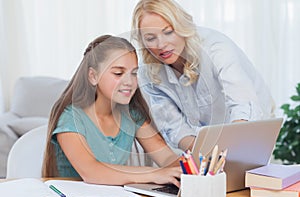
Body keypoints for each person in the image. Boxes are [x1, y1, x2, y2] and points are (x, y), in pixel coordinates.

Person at [131, 0, 275, 151]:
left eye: (168, 32)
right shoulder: (149, 72)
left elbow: (244, 106)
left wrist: (231, 151)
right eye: (150, 38)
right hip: (210, 137)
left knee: (247, 171)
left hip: (249, 125)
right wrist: (202, 152)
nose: (161, 45)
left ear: (182, 27)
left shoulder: (216, 49)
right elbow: (175, 127)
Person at [42, 35, 181, 187]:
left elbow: (167, 158)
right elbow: (91, 172)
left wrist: (185, 168)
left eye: (134, 73)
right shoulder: (71, 118)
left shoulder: (132, 116)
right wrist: (154, 174)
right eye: (118, 73)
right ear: (93, 76)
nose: (129, 82)